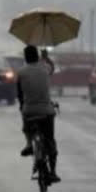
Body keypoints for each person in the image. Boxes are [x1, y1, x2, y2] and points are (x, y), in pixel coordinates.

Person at [17, 45, 60, 183]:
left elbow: (19, 93)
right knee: (50, 140)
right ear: (37, 56)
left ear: (25, 57)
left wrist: (22, 105)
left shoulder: (21, 72)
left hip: (29, 111)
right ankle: (53, 171)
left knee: (27, 127)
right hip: (46, 111)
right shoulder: (45, 69)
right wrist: (46, 58)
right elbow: (52, 67)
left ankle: (29, 144)